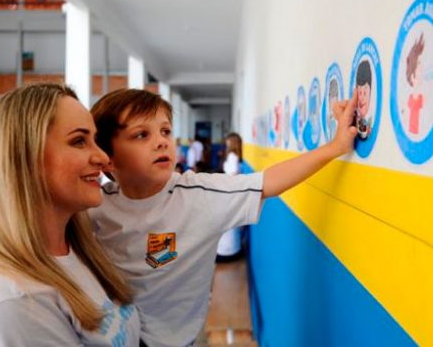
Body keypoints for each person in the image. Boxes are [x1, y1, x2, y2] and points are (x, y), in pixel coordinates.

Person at [89, 89, 357, 347]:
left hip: (174, 339)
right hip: (112, 335)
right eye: (141, 135)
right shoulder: (94, 207)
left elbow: (268, 182)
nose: (161, 141)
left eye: (165, 131)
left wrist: (334, 147)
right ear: (107, 160)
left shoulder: (199, 194)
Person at [0, 83, 140, 346]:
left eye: (95, 140)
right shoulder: (14, 306)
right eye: (79, 141)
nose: (102, 157)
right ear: (25, 157)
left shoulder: (78, 250)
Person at [216, 132, 244, 260]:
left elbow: (232, 176)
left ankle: (227, 251)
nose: (226, 143)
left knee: (227, 225)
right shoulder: (235, 156)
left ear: (232, 142)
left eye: (228, 141)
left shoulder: (232, 156)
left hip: (230, 194)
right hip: (232, 193)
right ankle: (231, 249)